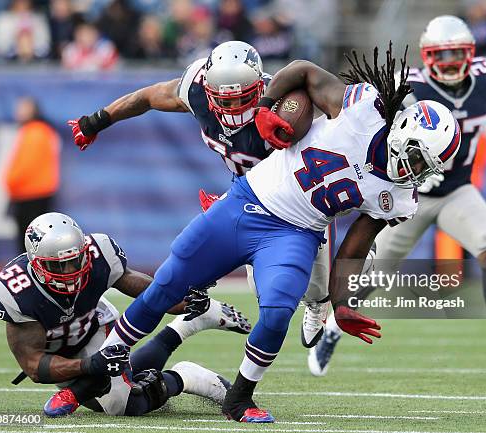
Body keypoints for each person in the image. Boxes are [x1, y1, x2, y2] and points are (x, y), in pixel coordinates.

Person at [96, 43, 462, 423]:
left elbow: (354, 246)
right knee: (170, 281)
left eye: (427, 166)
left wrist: (344, 304)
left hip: (299, 230)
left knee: (283, 308)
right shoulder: (361, 110)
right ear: (402, 132)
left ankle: (243, 393)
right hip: (248, 199)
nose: (417, 171)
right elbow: (303, 68)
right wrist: (267, 108)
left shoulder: (398, 195)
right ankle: (100, 365)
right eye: (419, 158)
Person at [310, 15, 486, 380]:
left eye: (456, 54)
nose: (449, 62)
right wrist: (406, 177)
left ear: (470, 53)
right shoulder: (412, 85)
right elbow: (383, 140)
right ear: (426, 56)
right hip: (412, 195)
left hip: (458, 191)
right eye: (441, 54)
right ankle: (335, 329)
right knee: (375, 271)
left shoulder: (485, 78)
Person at [68, 40, 331, 351]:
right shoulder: (195, 91)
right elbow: (149, 96)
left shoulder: (286, 107)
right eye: (223, 100)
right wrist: (100, 119)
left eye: (241, 99)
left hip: (296, 201)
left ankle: (321, 298)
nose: (231, 108)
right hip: (246, 196)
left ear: (260, 88)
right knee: (258, 285)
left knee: (311, 286)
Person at [0, 212, 251, 417]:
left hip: (96, 327)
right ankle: (180, 331)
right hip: (62, 354)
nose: (70, 272)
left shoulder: (98, 253)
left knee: (120, 404)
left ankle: (186, 378)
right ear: (36, 264)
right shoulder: (15, 292)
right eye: (59, 265)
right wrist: (90, 365)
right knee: (113, 388)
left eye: (76, 261)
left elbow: (140, 288)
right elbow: (34, 365)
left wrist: (181, 300)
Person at [4, 97, 60, 254]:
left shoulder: (35, 132)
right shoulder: (40, 131)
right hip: (35, 192)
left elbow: (26, 165)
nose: (18, 112)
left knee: (29, 244)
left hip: (30, 194)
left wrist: (10, 182)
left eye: (23, 108)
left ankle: (31, 274)